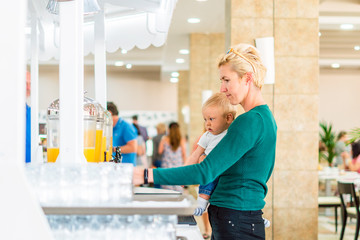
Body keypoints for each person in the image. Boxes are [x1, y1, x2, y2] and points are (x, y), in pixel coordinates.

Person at [134, 43, 277, 240]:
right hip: (242, 217)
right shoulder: (265, 118)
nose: (222, 88)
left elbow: (204, 172)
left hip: (235, 218)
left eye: (227, 80)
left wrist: (145, 175)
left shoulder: (249, 121)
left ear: (248, 78)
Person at [158, 122, 187, 192]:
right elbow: (184, 154)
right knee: (178, 190)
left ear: (169, 129)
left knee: (167, 191)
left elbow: (160, 151)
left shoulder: (164, 139)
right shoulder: (181, 140)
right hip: (178, 168)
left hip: (166, 168)